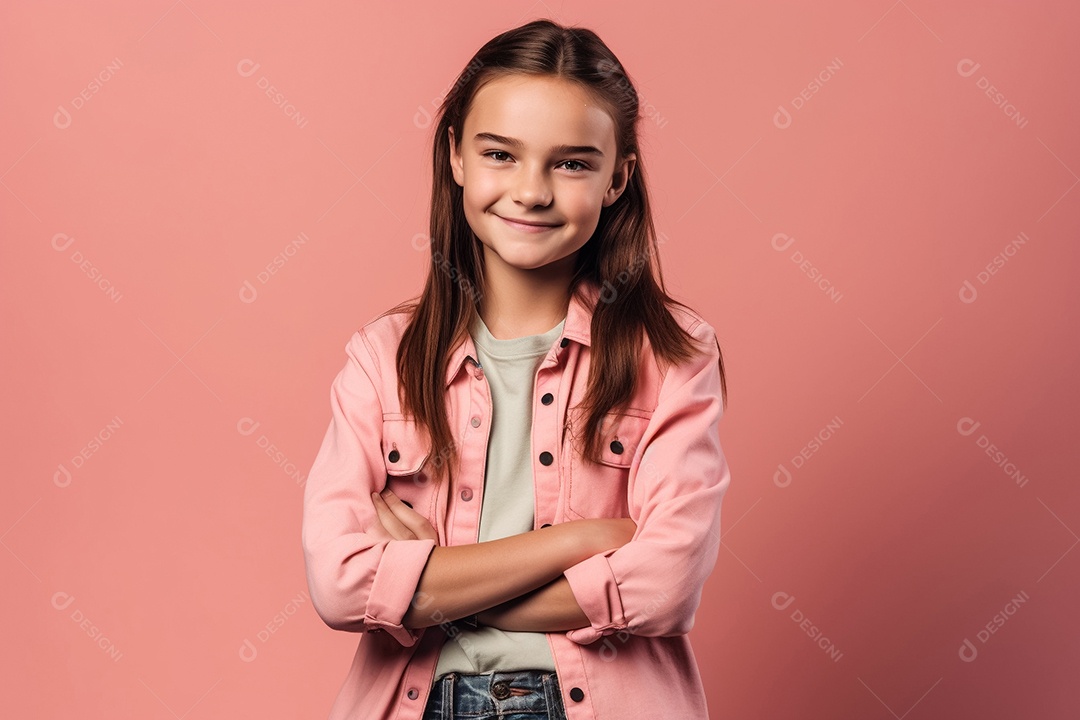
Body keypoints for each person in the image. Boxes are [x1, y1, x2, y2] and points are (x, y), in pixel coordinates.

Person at [302, 17, 731, 720]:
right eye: (501, 154)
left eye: (570, 163)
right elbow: (340, 585)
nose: (531, 192)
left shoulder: (675, 354)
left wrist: (429, 590)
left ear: (618, 176)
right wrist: (582, 541)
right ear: (457, 158)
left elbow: (665, 585)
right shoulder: (381, 358)